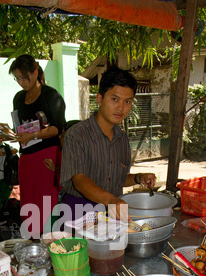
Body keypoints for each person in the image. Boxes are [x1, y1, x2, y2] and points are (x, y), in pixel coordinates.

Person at [60, 66, 156, 223]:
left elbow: (117, 179)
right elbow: (80, 180)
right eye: (114, 99)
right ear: (99, 99)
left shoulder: (122, 139)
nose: (121, 108)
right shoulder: (77, 135)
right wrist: (111, 200)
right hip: (79, 211)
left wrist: (139, 178)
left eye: (128, 101)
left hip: (112, 212)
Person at [9, 54, 66, 238]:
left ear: (35, 73)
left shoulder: (51, 96)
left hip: (47, 155)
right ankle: (32, 240)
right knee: (29, 200)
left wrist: (34, 134)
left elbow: (58, 128)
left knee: (46, 200)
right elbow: (18, 125)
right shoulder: (18, 98)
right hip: (26, 156)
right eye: (17, 78)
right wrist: (9, 134)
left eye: (24, 77)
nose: (21, 82)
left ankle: (51, 238)